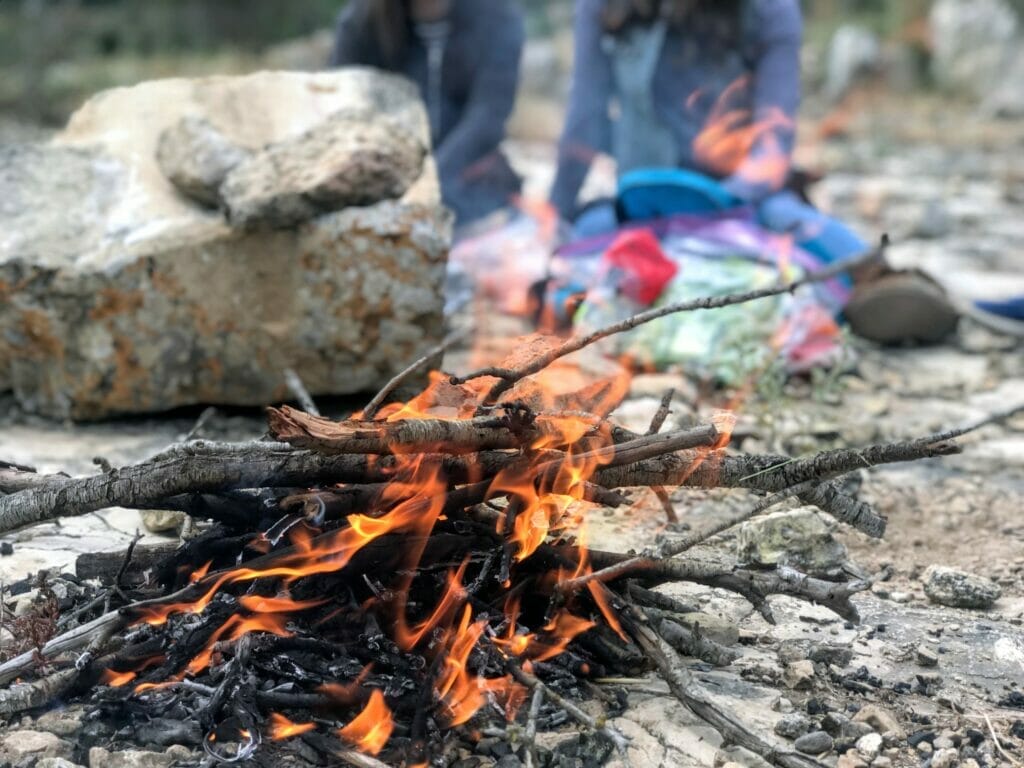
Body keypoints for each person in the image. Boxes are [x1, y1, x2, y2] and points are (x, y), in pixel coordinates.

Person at [549, 0, 959, 344]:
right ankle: (571, 299)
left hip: (744, 200)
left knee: (792, 218)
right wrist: (553, 219)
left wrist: (727, 198)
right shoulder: (604, 6)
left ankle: (879, 284)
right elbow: (585, 122)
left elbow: (774, 142)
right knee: (589, 230)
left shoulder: (768, 11)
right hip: (640, 203)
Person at [331, 0, 525, 227]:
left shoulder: (498, 17)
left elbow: (488, 117)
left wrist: (428, 181)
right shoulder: (362, 23)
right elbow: (343, 115)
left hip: (474, 186)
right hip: (382, 190)